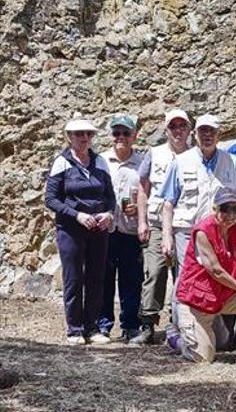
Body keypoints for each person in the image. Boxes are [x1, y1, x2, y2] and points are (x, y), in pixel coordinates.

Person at [172, 187, 236, 370]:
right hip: (196, 300)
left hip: (222, 296)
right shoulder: (203, 231)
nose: (230, 214)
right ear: (215, 209)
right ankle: (176, 339)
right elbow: (215, 271)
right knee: (203, 358)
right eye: (224, 209)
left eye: (235, 209)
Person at [160, 114, 236, 335]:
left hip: (219, 231)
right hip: (187, 231)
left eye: (212, 132)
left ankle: (214, 330)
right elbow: (168, 203)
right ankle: (180, 331)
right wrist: (167, 236)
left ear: (219, 135)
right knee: (185, 280)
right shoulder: (180, 161)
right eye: (203, 131)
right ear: (194, 134)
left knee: (218, 278)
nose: (207, 136)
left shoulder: (231, 162)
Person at [45, 114, 116, 345]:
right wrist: (77, 215)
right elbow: (51, 199)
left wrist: (109, 213)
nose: (84, 138)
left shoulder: (100, 162)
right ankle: (74, 329)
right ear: (69, 137)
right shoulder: (62, 163)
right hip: (71, 229)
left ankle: (92, 327)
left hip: (98, 228)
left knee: (96, 277)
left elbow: (110, 196)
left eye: (88, 134)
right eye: (79, 134)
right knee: (73, 278)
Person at [132, 109, 191, 345]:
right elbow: (143, 188)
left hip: (184, 225)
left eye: (182, 126)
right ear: (166, 130)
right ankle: (147, 323)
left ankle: (178, 323)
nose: (178, 131)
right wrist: (142, 221)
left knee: (184, 276)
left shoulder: (195, 156)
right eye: (173, 127)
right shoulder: (154, 154)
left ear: (189, 130)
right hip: (157, 223)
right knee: (155, 273)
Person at [97, 114, 144, 342]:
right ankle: (103, 324)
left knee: (131, 280)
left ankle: (130, 325)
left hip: (130, 230)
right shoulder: (101, 160)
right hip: (105, 230)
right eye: (116, 133)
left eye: (126, 133)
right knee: (104, 279)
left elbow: (150, 194)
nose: (121, 137)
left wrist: (139, 209)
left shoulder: (143, 163)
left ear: (135, 135)